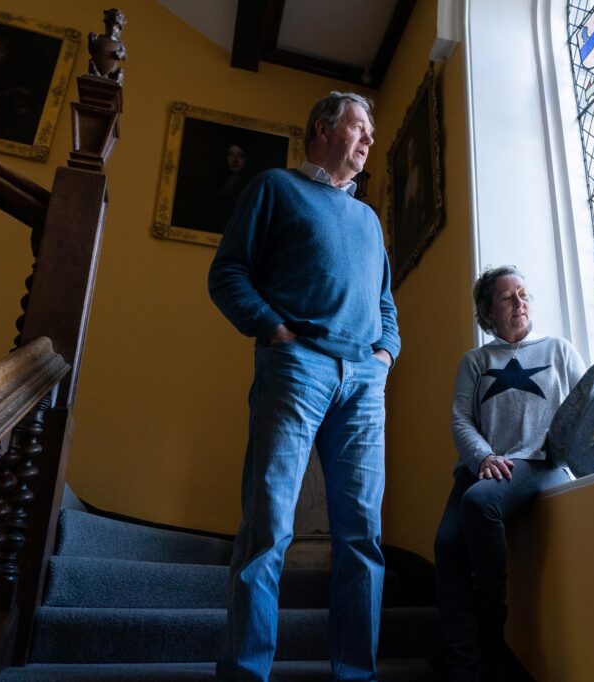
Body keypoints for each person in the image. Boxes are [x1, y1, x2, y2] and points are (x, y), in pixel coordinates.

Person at [209, 91, 400, 681]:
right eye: (359, 127)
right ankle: (246, 673)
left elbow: (385, 303)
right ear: (323, 128)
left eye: (370, 132)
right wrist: (275, 331)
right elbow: (228, 273)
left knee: (362, 537)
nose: (369, 139)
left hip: (363, 382)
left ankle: (355, 674)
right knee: (268, 527)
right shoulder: (275, 188)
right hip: (297, 369)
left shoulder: (368, 219)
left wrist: (385, 355)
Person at [434, 266, 586, 681]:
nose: (519, 303)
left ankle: (491, 633)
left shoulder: (559, 350)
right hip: (482, 464)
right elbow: (460, 419)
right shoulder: (476, 360)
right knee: (446, 545)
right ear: (489, 311)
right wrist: (482, 457)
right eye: (507, 297)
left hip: (537, 462)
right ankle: (461, 665)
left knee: (479, 502)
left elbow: (588, 408)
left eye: (523, 294)